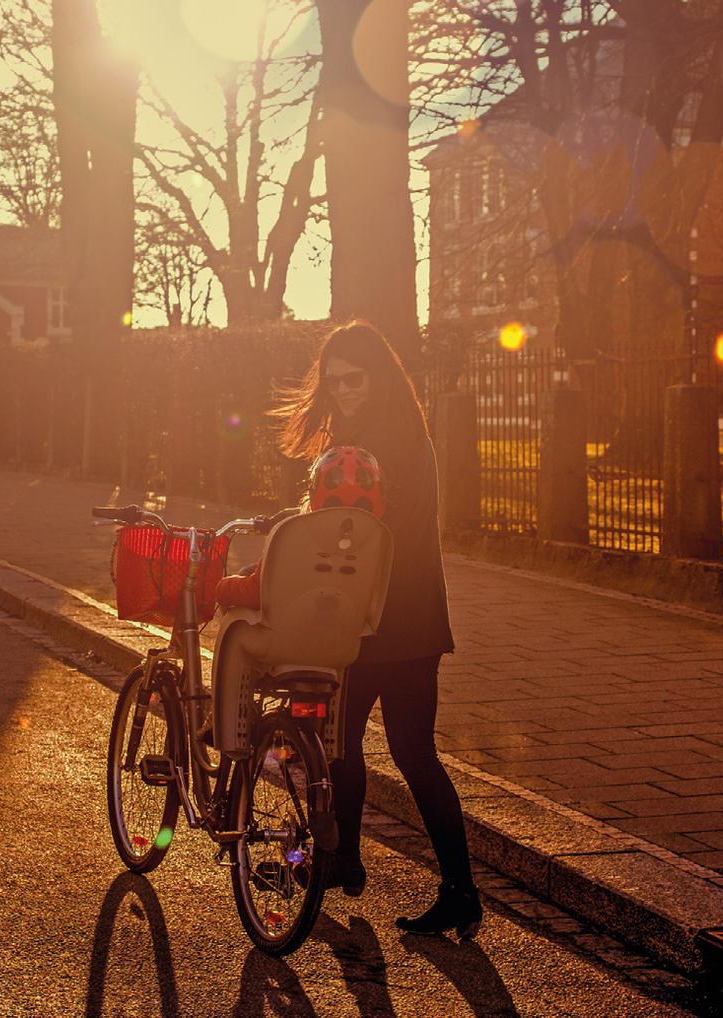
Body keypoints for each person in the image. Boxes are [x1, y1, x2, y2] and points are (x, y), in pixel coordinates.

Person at [274, 319, 482, 940]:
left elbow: (356, 534)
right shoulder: (393, 435)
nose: (343, 392)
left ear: (380, 375)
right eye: (334, 382)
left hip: (379, 619)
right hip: (406, 616)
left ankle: (358, 864)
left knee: (375, 747)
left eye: (354, 379)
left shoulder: (380, 443)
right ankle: (438, 886)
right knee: (375, 747)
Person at [214, 445, 386, 612]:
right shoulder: (376, 541)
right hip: (345, 632)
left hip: (287, 631)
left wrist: (222, 588)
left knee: (238, 585)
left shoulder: (294, 535)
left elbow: (255, 592)